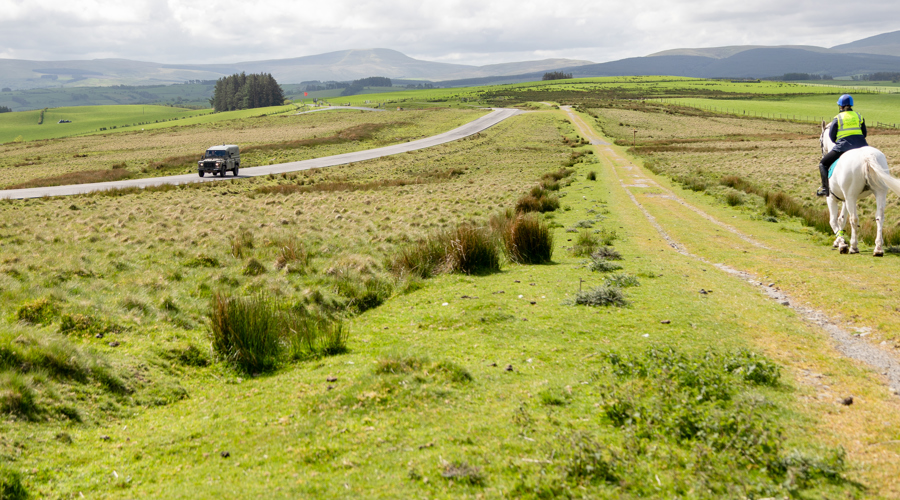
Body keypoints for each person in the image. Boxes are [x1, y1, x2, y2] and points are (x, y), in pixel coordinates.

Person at [817, 94, 868, 197]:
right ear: (851, 105)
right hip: (862, 146)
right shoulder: (859, 116)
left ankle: (825, 188)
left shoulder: (838, 118)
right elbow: (864, 133)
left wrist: (840, 142)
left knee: (823, 164)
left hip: (843, 147)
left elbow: (832, 136)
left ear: (841, 106)